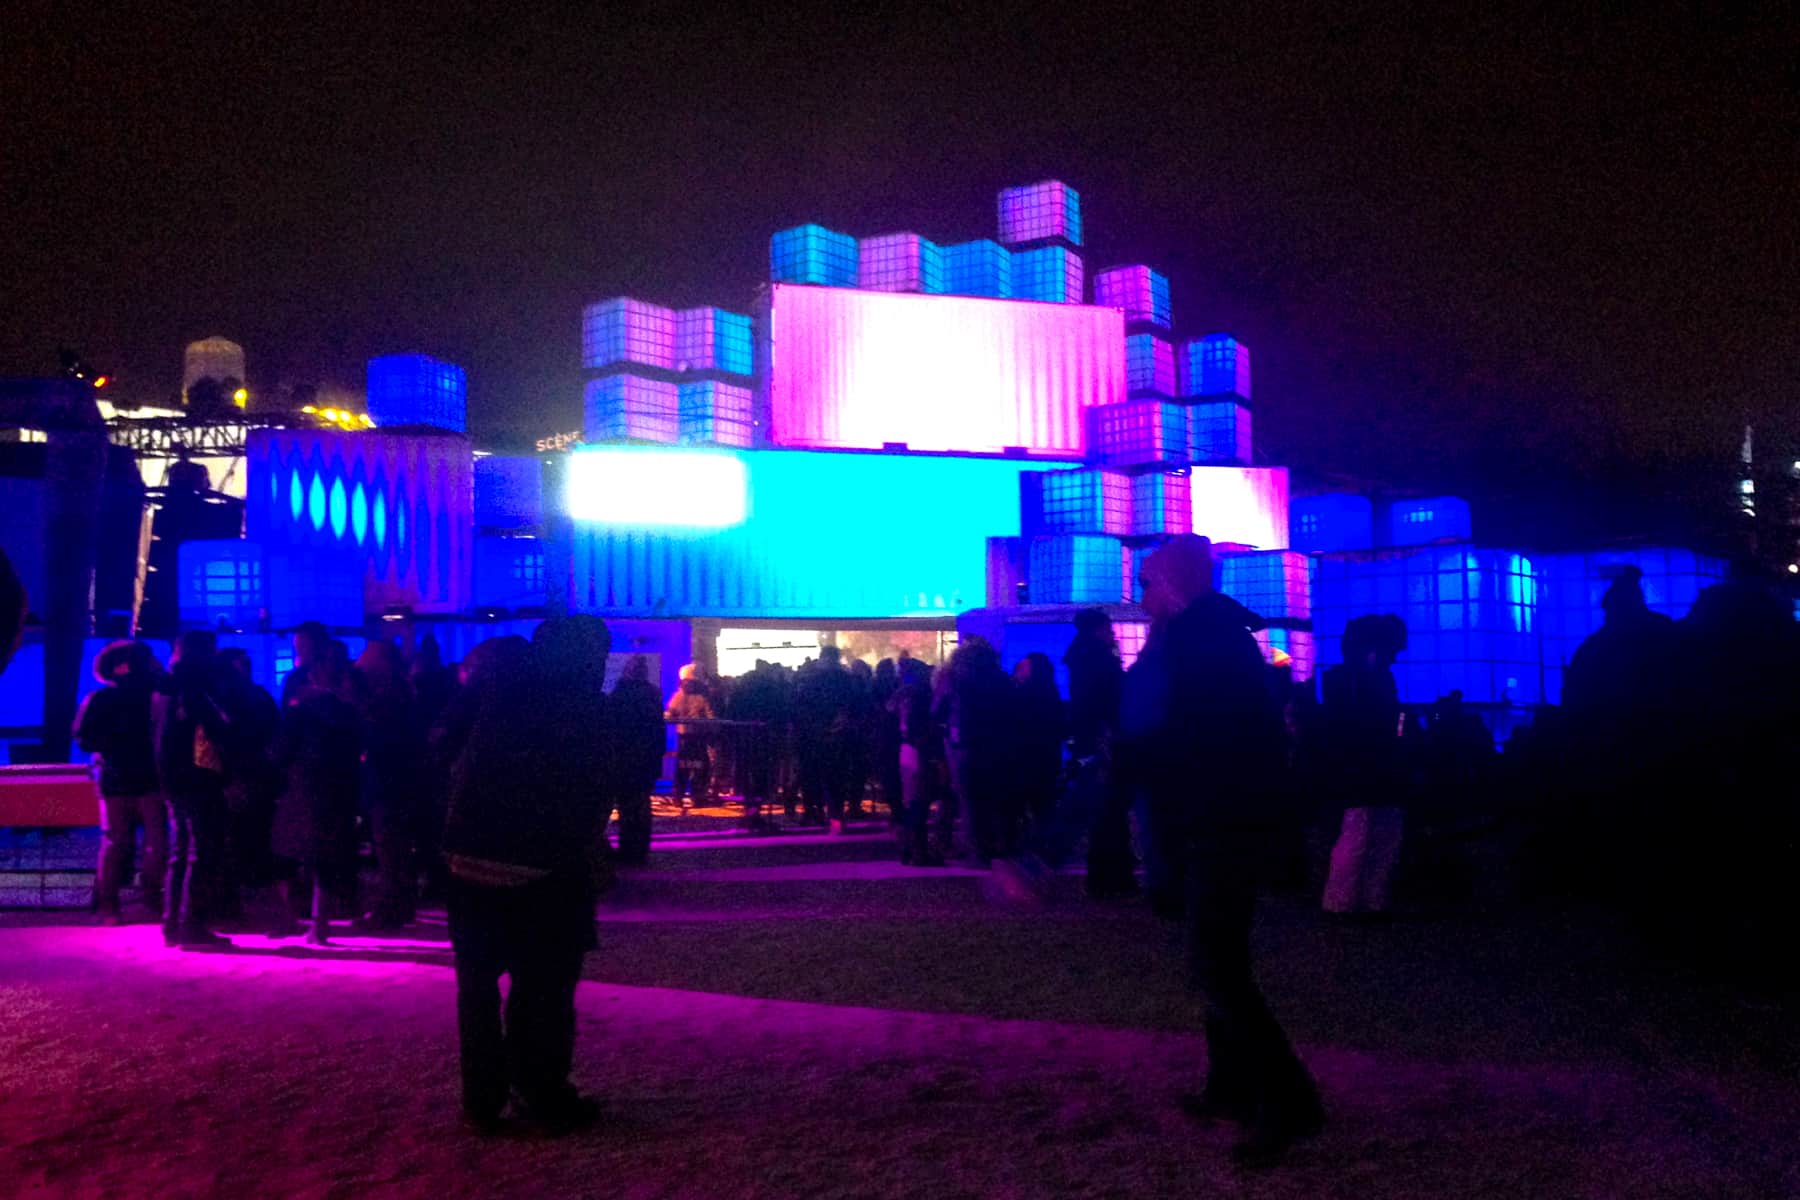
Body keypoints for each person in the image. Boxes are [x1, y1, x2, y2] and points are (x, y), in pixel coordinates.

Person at [1122, 535, 1322, 1168]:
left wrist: (1134, 760)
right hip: (1220, 815)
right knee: (1216, 958)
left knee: (1216, 965)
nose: (1142, 597)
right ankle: (1233, 1086)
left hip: (1219, 817)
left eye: (1148, 583)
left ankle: (1286, 1101)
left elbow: (1190, 734)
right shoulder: (1213, 636)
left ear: (1175, 584)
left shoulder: (1194, 642)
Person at [441, 615, 612, 1135]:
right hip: (544, 865)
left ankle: (482, 1099)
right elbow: (589, 794)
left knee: (477, 987)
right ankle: (540, 1089)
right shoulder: (581, 708)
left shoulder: (491, 695)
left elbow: (442, 750)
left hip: (468, 859)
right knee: (545, 989)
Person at [270, 643, 362, 944]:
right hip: (338, 787)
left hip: (302, 785)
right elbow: (356, 748)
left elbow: (282, 750)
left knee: (289, 852)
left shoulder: (301, 707)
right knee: (326, 856)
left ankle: (288, 916)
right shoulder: (348, 710)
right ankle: (319, 924)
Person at [1319, 614, 1408, 916]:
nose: (1393, 658)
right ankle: (1365, 899)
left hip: (1360, 765)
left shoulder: (1342, 680)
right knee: (1374, 831)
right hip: (1372, 765)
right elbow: (1387, 720)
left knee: (1362, 831)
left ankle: (1345, 901)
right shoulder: (1373, 680)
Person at [152, 631, 234, 948]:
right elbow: (218, 726)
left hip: (171, 778)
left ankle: (172, 924)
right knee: (202, 851)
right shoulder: (195, 688)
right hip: (198, 777)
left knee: (181, 851)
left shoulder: (163, 688)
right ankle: (192, 925)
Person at [76, 640, 167, 923]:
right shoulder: (156, 695)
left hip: (115, 778)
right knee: (156, 842)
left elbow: (84, 739)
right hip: (150, 777)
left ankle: (109, 905)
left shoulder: (101, 698)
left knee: (115, 842)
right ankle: (151, 897)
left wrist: (111, 748)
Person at [1062, 609, 1134, 895]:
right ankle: (1112, 876)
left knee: (1102, 810)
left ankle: (1104, 875)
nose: (1113, 632)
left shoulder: (1080, 660)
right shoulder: (1102, 662)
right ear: (1099, 628)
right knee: (1111, 809)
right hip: (1105, 743)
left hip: (1089, 742)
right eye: (1108, 627)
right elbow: (1111, 702)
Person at [357, 641, 426, 929]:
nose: (361, 662)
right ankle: (401, 904)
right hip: (398, 779)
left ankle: (392, 907)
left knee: (389, 846)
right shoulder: (402, 691)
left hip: (388, 781)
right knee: (395, 847)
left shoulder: (388, 695)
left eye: (368, 657)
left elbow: (381, 738)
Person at [934, 637, 1017, 864]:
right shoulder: (1000, 678)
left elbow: (937, 712)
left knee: (968, 800)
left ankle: (977, 851)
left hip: (963, 744)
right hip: (997, 743)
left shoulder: (951, 679)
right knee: (994, 797)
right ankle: (1000, 846)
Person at [214, 646, 282, 916]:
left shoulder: (223, 696)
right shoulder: (252, 695)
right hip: (249, 774)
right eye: (241, 663)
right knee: (250, 836)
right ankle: (252, 896)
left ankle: (239, 899)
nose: (246, 667)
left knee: (243, 836)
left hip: (241, 774)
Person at [795, 646, 859, 832]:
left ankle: (813, 812)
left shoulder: (810, 681)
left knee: (812, 775)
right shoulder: (847, 681)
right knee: (836, 778)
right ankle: (835, 815)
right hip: (838, 736)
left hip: (814, 736)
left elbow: (801, 709)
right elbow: (855, 706)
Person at [609, 655, 666, 864]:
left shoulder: (621, 692)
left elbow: (615, 726)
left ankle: (628, 849)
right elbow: (657, 730)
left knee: (627, 805)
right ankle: (639, 850)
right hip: (646, 756)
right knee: (641, 804)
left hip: (625, 755)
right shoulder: (652, 693)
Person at [888, 656, 944, 865]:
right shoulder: (922, 695)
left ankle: (909, 848)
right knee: (920, 803)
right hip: (919, 751)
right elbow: (924, 729)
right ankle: (918, 851)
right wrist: (935, 758)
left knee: (913, 803)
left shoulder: (903, 695)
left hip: (906, 750)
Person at [1011, 652, 1066, 843]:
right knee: (1044, 803)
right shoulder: (1051, 693)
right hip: (1048, 756)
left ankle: (1031, 842)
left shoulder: (1023, 694)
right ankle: (1045, 843)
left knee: (1029, 801)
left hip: (1027, 757)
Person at [664, 664, 715, 811]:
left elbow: (671, 712)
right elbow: (710, 715)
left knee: (685, 767)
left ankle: (681, 796)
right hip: (696, 737)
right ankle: (695, 796)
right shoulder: (702, 696)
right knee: (697, 767)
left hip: (686, 737)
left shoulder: (679, 695)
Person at [281, 620, 333, 706]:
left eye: (303, 646)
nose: (299, 652)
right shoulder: (295, 679)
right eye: (298, 647)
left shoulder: (341, 675)